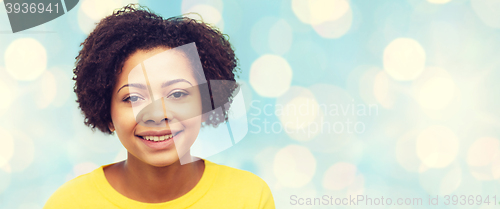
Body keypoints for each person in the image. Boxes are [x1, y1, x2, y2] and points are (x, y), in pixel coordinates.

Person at [43, 4, 275, 209]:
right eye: (132, 98)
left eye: (177, 94)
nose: (156, 115)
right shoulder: (69, 204)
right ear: (107, 112)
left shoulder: (249, 198)